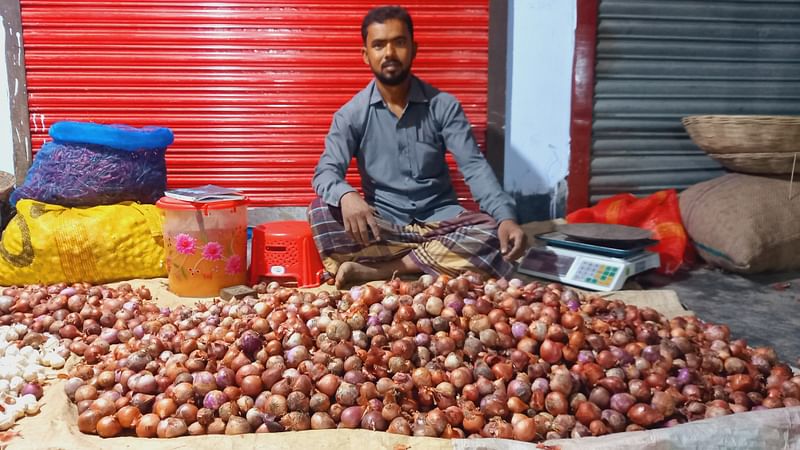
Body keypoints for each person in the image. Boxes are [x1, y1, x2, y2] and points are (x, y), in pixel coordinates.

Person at [309, 5, 526, 288]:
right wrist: (347, 195)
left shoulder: (443, 106)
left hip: (441, 223)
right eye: (378, 45)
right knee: (320, 213)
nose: (389, 53)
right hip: (385, 224)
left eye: (398, 42)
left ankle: (383, 270)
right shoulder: (351, 115)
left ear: (414, 48)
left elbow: (474, 167)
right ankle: (431, 262)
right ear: (366, 55)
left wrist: (506, 217)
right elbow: (325, 172)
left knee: (488, 232)